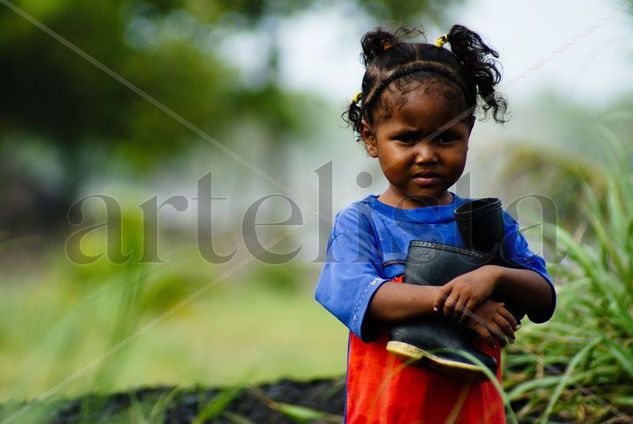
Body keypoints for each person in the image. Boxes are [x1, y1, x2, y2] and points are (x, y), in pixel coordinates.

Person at [314, 24, 556, 423]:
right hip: (388, 412)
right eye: (407, 139)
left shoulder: (486, 222)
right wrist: (461, 306)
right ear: (371, 138)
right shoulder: (362, 223)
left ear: (469, 134)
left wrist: (493, 277)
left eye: (446, 139)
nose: (426, 154)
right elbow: (363, 298)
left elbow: (543, 295)